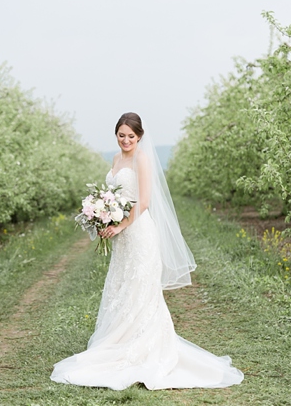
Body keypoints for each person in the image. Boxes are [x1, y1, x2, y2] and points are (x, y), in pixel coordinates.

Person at [50, 112, 244, 390]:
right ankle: (118, 340)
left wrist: (121, 225)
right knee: (121, 286)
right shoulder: (116, 159)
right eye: (121, 135)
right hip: (122, 238)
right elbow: (114, 196)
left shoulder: (142, 158)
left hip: (140, 234)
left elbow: (144, 201)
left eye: (131, 136)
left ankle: (146, 348)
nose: (126, 140)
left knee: (141, 289)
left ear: (139, 136)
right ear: (115, 135)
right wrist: (105, 216)